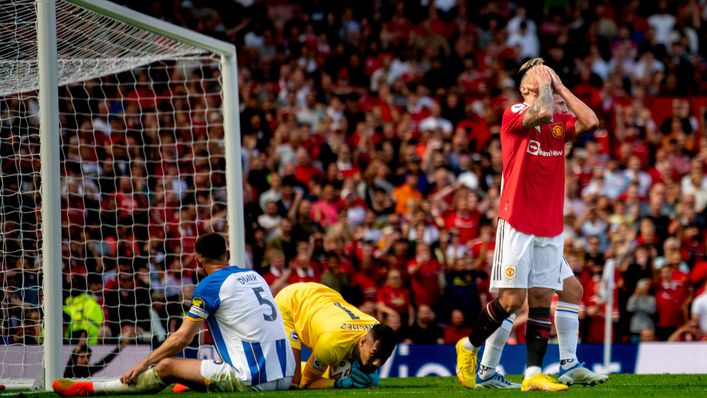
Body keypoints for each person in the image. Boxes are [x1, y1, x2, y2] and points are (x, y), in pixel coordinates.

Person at [455, 58, 600, 392]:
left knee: (540, 297)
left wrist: (561, 86)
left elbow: (591, 121)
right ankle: (468, 347)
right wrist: (547, 87)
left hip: (550, 223)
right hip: (517, 219)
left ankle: (533, 373)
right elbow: (543, 112)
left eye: (548, 71)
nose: (546, 75)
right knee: (511, 301)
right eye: (539, 73)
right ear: (525, 87)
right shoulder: (515, 113)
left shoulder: (559, 122)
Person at [53, 233, 295, 396]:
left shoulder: (210, 284)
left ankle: (93, 388)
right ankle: (192, 379)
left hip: (254, 380)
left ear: (198, 259)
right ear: (228, 254)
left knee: (167, 366)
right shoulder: (257, 277)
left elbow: (182, 338)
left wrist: (143, 363)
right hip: (286, 375)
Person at [274, 282, 396, 389]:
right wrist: (339, 383)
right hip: (292, 301)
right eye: (374, 355)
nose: (377, 364)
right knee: (293, 381)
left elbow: (375, 352)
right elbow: (306, 383)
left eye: (384, 358)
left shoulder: (375, 329)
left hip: (326, 295)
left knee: (339, 365)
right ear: (363, 342)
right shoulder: (332, 345)